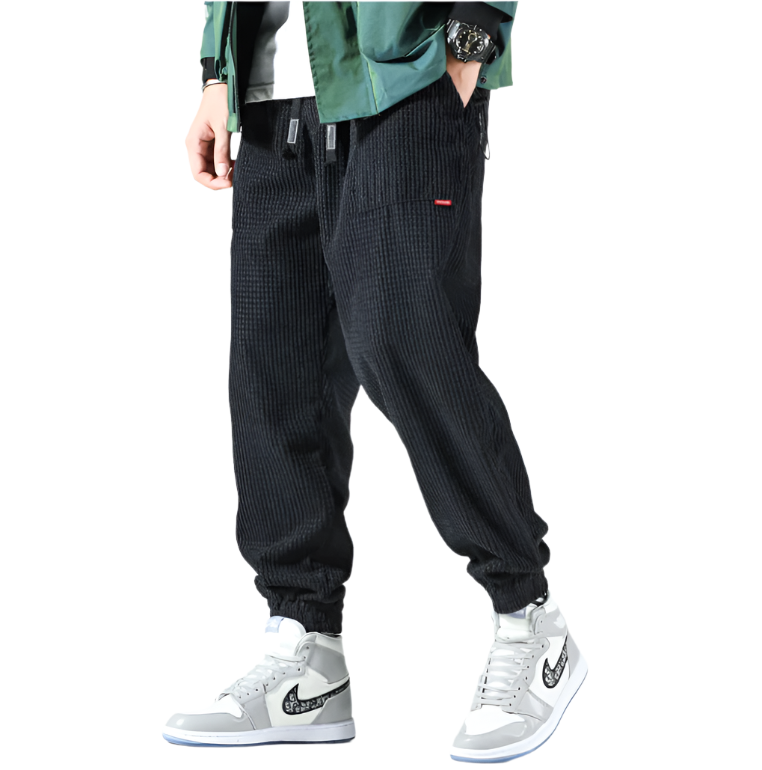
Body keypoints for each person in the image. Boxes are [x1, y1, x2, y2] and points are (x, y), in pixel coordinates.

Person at [163, 2, 587, 762]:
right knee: (272, 370)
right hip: (270, 97)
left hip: (405, 77)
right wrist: (216, 71)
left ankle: (530, 616)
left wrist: (471, 42)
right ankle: (306, 647)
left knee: (401, 341)